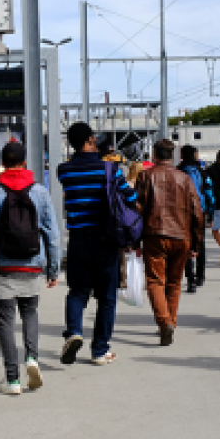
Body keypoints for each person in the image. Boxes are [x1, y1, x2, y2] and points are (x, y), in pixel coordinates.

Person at [0, 142, 60, 394]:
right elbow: (52, 235)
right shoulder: (40, 192)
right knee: (30, 312)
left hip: (2, 264)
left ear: (2, 164)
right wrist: (53, 269)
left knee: (5, 321)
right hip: (32, 263)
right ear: (25, 163)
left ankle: (12, 379)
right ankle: (32, 358)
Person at [57, 122, 138, 366]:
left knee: (78, 292)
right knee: (106, 297)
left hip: (79, 240)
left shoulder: (64, 170)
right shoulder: (110, 169)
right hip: (106, 239)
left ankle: (74, 332)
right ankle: (100, 350)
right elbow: (130, 198)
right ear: (91, 141)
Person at [135, 139, 204, 346]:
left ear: (154, 155)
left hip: (154, 235)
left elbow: (137, 209)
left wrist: (133, 241)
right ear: (172, 156)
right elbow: (197, 212)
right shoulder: (184, 178)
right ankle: (170, 322)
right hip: (181, 236)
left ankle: (164, 323)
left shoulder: (146, 176)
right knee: (174, 283)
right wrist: (196, 244)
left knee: (156, 281)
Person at [177, 144, 214, 292]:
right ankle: (200, 276)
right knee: (200, 243)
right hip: (200, 212)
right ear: (194, 155)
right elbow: (210, 194)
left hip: (182, 212)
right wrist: (210, 213)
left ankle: (190, 279)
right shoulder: (202, 172)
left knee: (186, 244)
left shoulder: (178, 171)